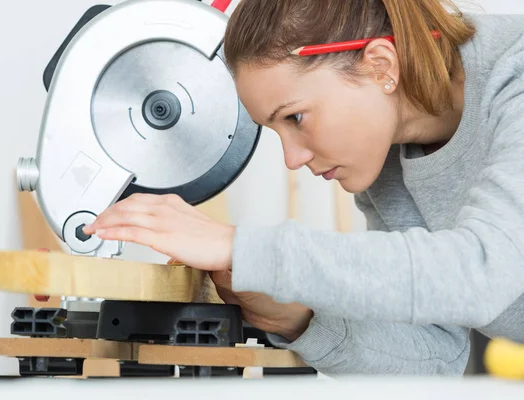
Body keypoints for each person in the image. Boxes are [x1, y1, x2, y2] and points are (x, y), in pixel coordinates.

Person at [83, 0, 524, 375]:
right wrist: (299, 318)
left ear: (380, 65)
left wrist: (244, 248)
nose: (293, 159)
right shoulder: (385, 155)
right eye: (275, 130)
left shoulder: (515, 71)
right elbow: (434, 357)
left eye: (295, 117)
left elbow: (482, 271)